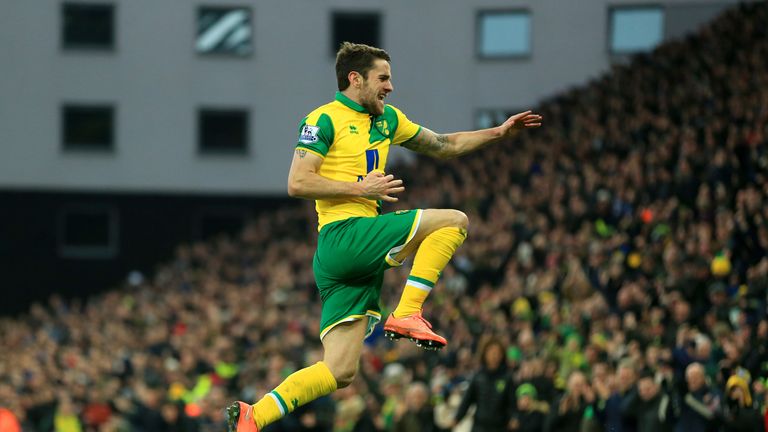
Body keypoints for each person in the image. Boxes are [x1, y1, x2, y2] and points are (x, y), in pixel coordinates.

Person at [226, 41, 542, 432]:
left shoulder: (388, 120)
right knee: (454, 221)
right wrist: (362, 190)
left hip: (349, 259)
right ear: (355, 79)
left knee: (340, 371)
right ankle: (408, 312)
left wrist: (498, 131)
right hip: (344, 236)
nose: (390, 86)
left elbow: (444, 145)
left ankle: (255, 415)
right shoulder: (323, 120)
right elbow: (297, 181)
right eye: (383, 78)